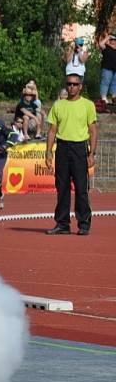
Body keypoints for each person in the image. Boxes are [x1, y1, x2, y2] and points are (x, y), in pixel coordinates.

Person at [45, 73, 97, 235]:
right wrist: (48, 153)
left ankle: (84, 224)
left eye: (75, 84)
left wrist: (92, 154)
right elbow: (52, 130)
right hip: (62, 148)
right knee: (62, 187)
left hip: (80, 148)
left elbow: (93, 131)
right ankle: (62, 223)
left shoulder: (88, 105)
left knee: (81, 188)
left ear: (80, 86)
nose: (72, 87)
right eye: (69, 84)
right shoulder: (58, 105)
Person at [97, 32, 116, 101]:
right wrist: (108, 37)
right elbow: (100, 44)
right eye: (112, 40)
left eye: (114, 40)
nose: (113, 41)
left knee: (115, 84)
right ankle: (103, 98)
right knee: (105, 83)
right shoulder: (106, 47)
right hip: (107, 68)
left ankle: (114, 97)